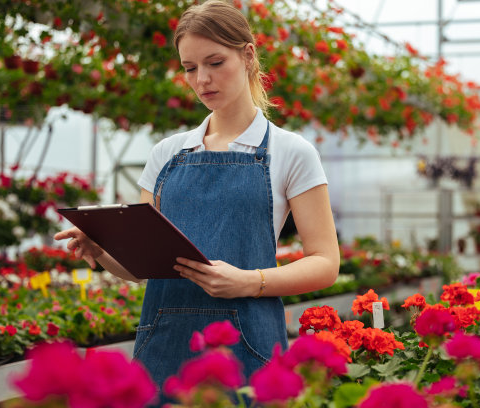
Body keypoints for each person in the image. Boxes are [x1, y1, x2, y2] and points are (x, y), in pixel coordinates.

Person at [54, 0, 340, 400]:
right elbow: (141, 269)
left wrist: (248, 282)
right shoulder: (166, 154)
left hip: (247, 345)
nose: (202, 79)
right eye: (190, 68)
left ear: (248, 56)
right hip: (164, 345)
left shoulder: (291, 151)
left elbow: (326, 264)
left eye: (215, 62)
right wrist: (101, 248)